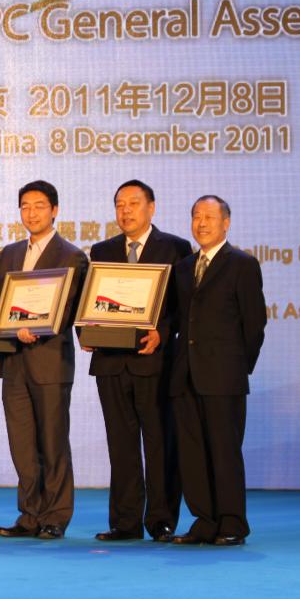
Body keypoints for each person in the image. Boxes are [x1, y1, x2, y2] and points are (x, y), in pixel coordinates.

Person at [0, 180, 87, 540]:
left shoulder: (72, 255)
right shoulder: (10, 253)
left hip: (50, 362)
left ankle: (56, 516)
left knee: (53, 444)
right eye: (25, 206)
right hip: (13, 362)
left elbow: (69, 307)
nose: (32, 213)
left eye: (39, 206)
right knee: (23, 445)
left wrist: (37, 328)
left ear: (55, 210)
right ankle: (30, 515)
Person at [85, 180, 192, 543]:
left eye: (133, 203)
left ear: (152, 208)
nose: (125, 211)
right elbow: (92, 303)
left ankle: (161, 520)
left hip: (154, 360)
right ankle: (125, 522)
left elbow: (185, 306)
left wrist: (163, 331)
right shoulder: (102, 250)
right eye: (119, 204)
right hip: (111, 362)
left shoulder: (175, 248)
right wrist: (88, 330)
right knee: (121, 444)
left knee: (160, 442)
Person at [169, 195, 266, 546]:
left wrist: (238, 369)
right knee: (192, 453)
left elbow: (254, 325)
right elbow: (179, 321)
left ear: (226, 222)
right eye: (196, 216)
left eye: (209, 216)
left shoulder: (242, 264)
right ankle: (204, 520)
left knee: (224, 451)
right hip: (185, 376)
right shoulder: (183, 267)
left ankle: (231, 522)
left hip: (224, 376)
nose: (202, 223)